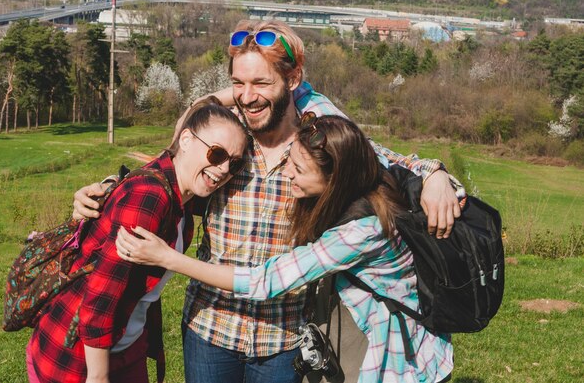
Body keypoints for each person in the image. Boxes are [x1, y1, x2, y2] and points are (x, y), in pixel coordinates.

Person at [72, 20, 463, 383]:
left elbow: (386, 161)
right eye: (238, 84)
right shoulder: (229, 139)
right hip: (210, 327)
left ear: (293, 79)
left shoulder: (319, 145)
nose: (247, 96)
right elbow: (175, 166)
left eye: (260, 82)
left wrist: (435, 174)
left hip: (283, 335)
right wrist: (109, 190)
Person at [115, 115, 455, 383]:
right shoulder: (363, 180)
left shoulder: (361, 231)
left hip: (397, 359)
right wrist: (108, 190)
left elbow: (266, 282)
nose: (286, 172)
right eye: (290, 159)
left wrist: (167, 258)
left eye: (298, 169)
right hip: (219, 331)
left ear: (333, 179)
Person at [26, 102, 248, 383]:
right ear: (186, 139)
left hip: (123, 346)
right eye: (217, 153)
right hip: (77, 356)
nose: (224, 168)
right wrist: (98, 377)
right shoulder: (150, 197)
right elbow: (101, 294)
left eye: (235, 162)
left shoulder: (177, 190)